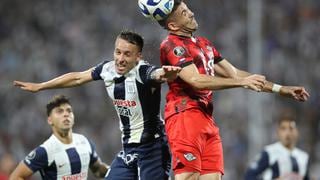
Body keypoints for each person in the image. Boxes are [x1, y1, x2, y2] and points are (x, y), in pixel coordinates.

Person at [156, 0, 310, 179]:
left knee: (213, 177)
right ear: (173, 25)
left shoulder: (204, 44)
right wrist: (241, 83)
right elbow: (196, 80)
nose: (191, 13)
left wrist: (280, 89)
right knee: (188, 175)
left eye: (187, 9)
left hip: (206, 118)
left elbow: (235, 73)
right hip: (185, 116)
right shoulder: (171, 45)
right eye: (183, 13)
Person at [13, 30, 180, 180]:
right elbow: (77, 78)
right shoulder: (107, 69)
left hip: (153, 149)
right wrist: (40, 86)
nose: (120, 59)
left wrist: (165, 74)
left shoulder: (143, 72)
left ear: (138, 57)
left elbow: (156, 74)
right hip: (129, 149)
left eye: (127, 54)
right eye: (118, 52)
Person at [9, 95, 109, 179]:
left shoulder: (84, 141)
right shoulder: (45, 150)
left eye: (69, 111)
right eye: (59, 111)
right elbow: (15, 177)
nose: (66, 114)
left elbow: (98, 170)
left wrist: (120, 169)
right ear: (50, 120)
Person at [244, 116, 310, 180]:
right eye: (283, 128)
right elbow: (249, 176)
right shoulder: (269, 152)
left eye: (291, 128)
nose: (287, 133)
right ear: (278, 132)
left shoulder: (304, 157)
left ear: (297, 132)